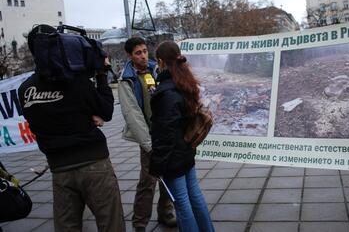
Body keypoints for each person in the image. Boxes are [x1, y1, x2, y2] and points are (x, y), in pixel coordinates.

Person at [18, 31, 125, 231]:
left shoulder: (25, 89)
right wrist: (101, 74)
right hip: (95, 164)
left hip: (59, 169)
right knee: (111, 223)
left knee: (68, 227)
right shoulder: (75, 81)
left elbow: (37, 124)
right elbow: (107, 110)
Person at [149, 40, 215, 232]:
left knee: (182, 204)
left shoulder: (165, 92)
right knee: (195, 196)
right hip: (186, 152)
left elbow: (165, 134)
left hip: (174, 159)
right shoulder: (185, 84)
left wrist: (157, 165)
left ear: (160, 62)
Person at [119, 37, 176, 231]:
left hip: (164, 132)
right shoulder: (126, 79)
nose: (143, 56)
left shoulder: (157, 68)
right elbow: (132, 114)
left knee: (168, 176)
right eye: (138, 53)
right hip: (149, 137)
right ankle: (140, 223)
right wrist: (148, 144)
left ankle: (166, 213)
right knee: (148, 181)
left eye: (144, 51)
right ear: (130, 55)